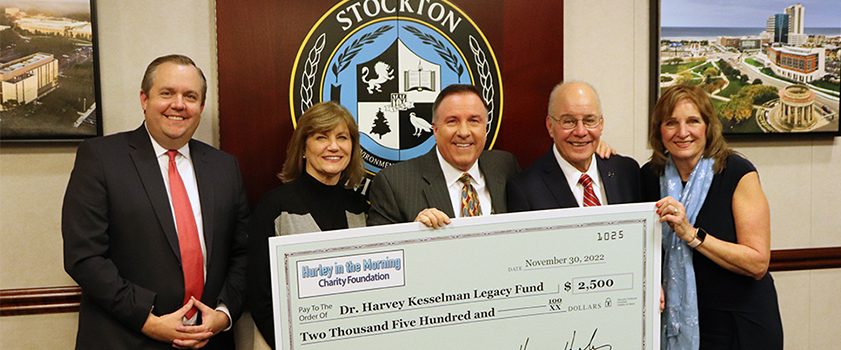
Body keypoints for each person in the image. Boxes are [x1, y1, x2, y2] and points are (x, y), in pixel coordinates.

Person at [62, 54, 249, 349]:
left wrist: (223, 316)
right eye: (167, 93)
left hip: (208, 341)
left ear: (201, 106)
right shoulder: (101, 158)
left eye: (190, 96)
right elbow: (84, 257)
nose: (178, 104)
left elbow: (242, 253)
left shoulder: (224, 167)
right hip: (125, 337)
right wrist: (149, 322)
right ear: (144, 99)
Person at [642, 85, 782, 350]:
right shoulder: (648, 177)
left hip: (740, 324)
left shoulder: (737, 173)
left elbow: (758, 263)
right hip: (674, 323)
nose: (682, 132)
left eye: (693, 121)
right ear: (659, 131)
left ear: (708, 126)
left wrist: (692, 235)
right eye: (671, 123)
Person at [247, 101, 368, 349]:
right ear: (303, 147)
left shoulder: (360, 208)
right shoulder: (274, 207)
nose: (333, 146)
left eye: (342, 137)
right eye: (321, 137)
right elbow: (260, 296)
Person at [366, 84, 521, 227]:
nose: (464, 132)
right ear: (436, 129)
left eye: (474, 121)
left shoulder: (505, 166)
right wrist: (413, 234)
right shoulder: (394, 184)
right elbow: (381, 253)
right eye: (452, 121)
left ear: (485, 129)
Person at [507, 81, 640, 211]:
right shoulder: (526, 190)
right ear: (550, 126)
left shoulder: (627, 173)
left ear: (601, 123)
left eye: (589, 121)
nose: (581, 132)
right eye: (569, 121)